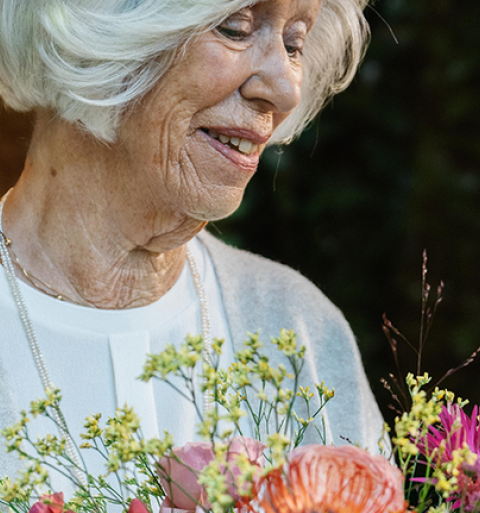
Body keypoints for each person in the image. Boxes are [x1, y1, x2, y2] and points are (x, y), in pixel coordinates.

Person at [0, 0, 384, 487]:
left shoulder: (297, 326)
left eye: (294, 45)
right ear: (97, 26)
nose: (286, 89)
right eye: (236, 28)